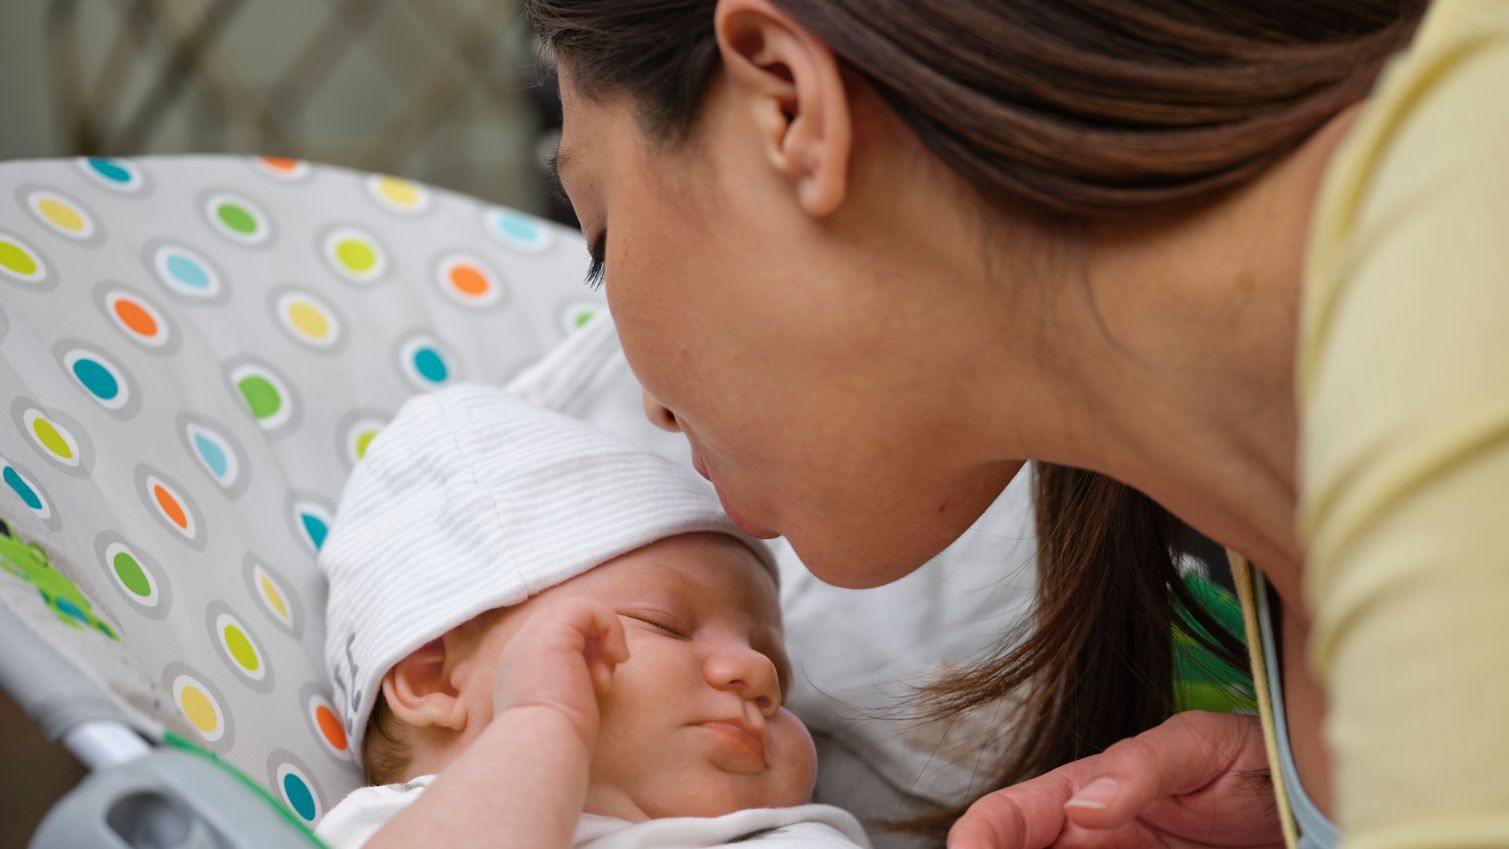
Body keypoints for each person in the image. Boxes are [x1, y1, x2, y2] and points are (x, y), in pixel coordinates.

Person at [525, 0, 1509, 847]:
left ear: (789, 101)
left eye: (602, 242)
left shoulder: (1458, 301)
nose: (647, 401)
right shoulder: (1252, 607)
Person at [315, 384, 871, 849]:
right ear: (434, 675)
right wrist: (542, 724)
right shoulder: (414, 823)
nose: (760, 675)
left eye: (776, 666)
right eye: (664, 624)